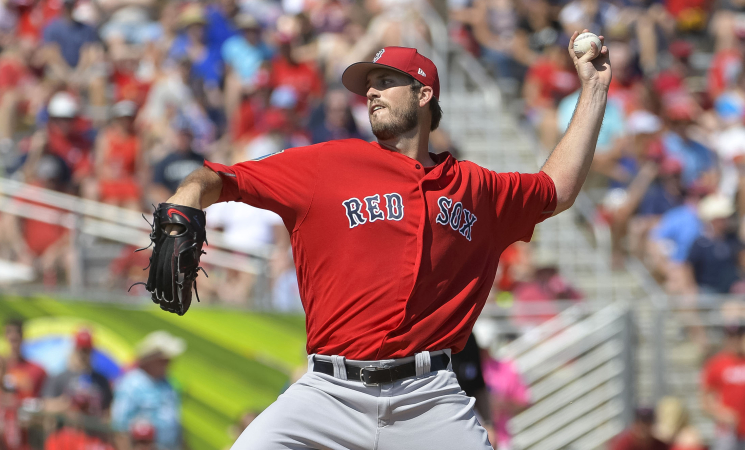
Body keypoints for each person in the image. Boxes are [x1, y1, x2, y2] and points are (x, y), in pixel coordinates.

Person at [158, 33, 611, 449]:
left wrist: (594, 88)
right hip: (328, 393)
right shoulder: (329, 164)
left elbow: (558, 189)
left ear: (424, 93)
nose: (371, 92)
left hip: (429, 398)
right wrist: (190, 193)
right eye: (368, 84)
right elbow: (222, 177)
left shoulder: (477, 189)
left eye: (386, 81)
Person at [110, 331, 185, 450]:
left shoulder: (168, 384)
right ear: (151, 360)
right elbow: (120, 427)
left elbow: (175, 423)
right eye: (164, 360)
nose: (169, 364)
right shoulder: (131, 383)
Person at [42, 329, 113, 417]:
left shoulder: (101, 380)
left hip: (92, 429)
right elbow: (46, 407)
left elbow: (108, 412)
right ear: (74, 349)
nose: (83, 354)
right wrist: (70, 404)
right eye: (81, 349)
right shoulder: (60, 377)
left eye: (86, 350)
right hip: (67, 428)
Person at [2, 319, 46, 401]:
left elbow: (44, 400)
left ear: (23, 335)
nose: (13, 336)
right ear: (4, 336)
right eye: (9, 332)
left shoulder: (38, 370)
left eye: (17, 332)